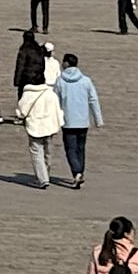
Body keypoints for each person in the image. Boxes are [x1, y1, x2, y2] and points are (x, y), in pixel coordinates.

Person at [54, 54, 104, 188]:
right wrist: (98, 119)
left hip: (68, 121)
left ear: (66, 64)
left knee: (70, 149)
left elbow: (55, 102)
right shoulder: (86, 81)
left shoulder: (60, 81)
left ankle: (76, 172)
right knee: (80, 148)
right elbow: (93, 99)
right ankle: (79, 172)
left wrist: (55, 119)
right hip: (83, 120)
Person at [19, 70, 63, 189]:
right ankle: (46, 175)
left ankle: (42, 179)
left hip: (34, 126)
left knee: (36, 153)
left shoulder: (28, 94)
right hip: (49, 126)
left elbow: (21, 111)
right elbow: (57, 110)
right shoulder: (51, 94)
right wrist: (59, 123)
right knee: (48, 152)